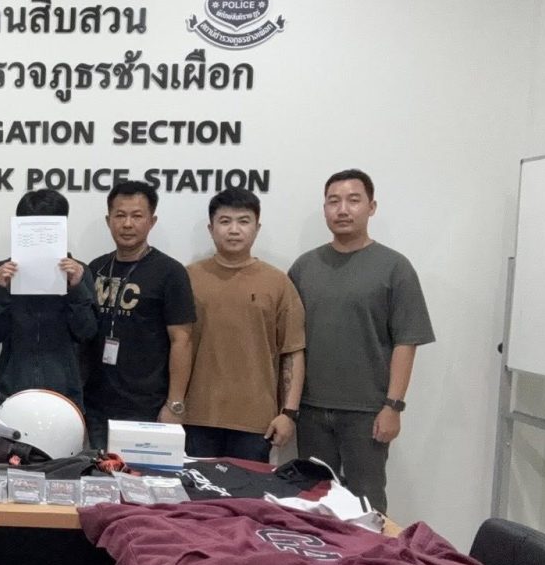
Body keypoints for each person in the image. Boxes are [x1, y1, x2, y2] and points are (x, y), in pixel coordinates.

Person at [287, 169, 435, 512]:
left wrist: (393, 406)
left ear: (372, 207)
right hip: (311, 410)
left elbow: (406, 342)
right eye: (333, 201)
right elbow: (290, 343)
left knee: (366, 504)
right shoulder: (304, 267)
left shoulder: (395, 267)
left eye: (353, 200)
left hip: (366, 413)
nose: (343, 209)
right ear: (325, 209)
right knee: (311, 501)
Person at [181, 187, 306, 462]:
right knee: (195, 490)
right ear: (211, 228)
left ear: (257, 228)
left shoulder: (278, 283)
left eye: (244, 221)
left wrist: (288, 414)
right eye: (225, 221)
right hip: (196, 418)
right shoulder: (188, 278)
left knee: (249, 491)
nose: (234, 230)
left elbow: (292, 351)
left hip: (256, 423)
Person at [84, 181, 196, 449]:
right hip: (97, 404)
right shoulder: (95, 269)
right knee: (101, 473)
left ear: (151, 221)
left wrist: (175, 404)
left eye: (137, 216)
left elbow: (182, 340)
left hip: (148, 406)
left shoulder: (170, 272)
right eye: (120, 215)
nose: (127, 224)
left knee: (140, 475)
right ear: (108, 220)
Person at [0, 189, 97, 409]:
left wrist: (76, 288)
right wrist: (1, 290)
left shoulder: (79, 273)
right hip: (11, 392)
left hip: (64, 394)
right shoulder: (1, 273)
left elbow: (87, 333)